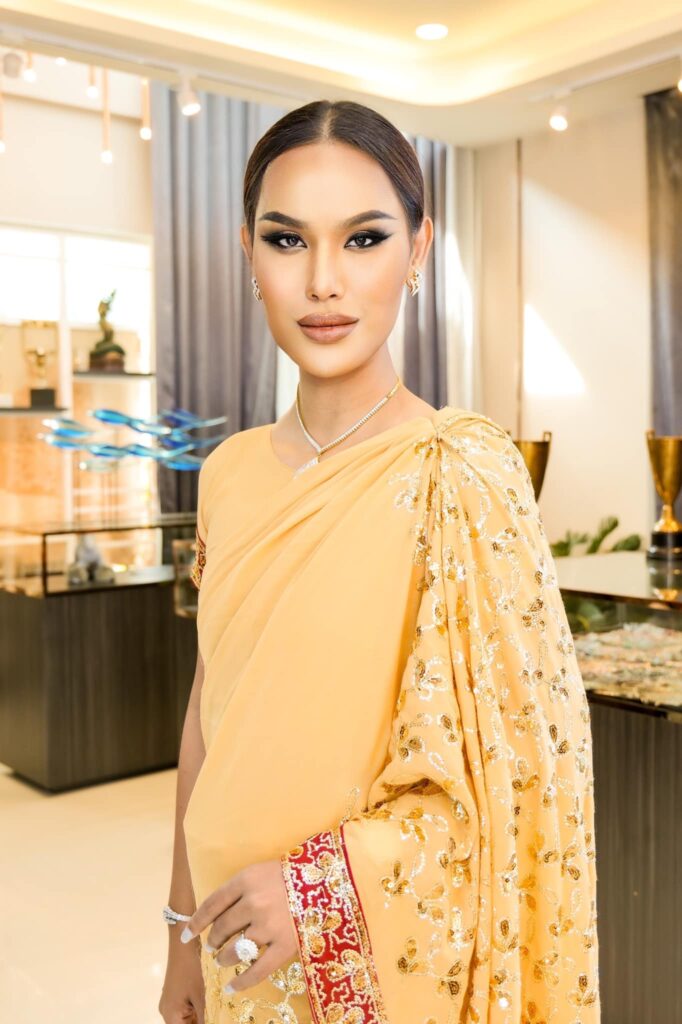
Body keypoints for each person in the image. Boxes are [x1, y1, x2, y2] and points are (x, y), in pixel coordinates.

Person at [159, 99, 600, 1024]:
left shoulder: (462, 472)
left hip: (374, 960)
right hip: (232, 945)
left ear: (419, 248)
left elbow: (518, 783)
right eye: (287, 240)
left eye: (363, 239)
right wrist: (178, 935)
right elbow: (210, 709)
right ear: (248, 254)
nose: (324, 282)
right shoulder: (229, 472)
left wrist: (317, 890)